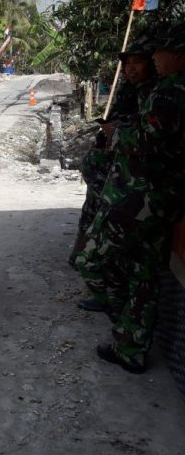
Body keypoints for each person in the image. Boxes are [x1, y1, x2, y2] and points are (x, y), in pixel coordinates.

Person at [75, 24, 185, 373]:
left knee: (90, 260)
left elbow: (147, 140)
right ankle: (131, 349)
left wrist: (117, 132)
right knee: (144, 275)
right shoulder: (161, 89)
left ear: (177, 54)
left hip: (140, 199)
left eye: (156, 53)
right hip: (159, 199)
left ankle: (125, 325)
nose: (153, 59)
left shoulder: (171, 92)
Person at [69, 35, 158, 286]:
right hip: (109, 173)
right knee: (94, 216)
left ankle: (111, 288)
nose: (130, 68)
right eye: (127, 63)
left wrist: (119, 130)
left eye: (137, 62)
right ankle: (93, 267)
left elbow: (148, 135)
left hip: (136, 182)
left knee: (116, 237)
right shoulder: (131, 91)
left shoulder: (159, 94)